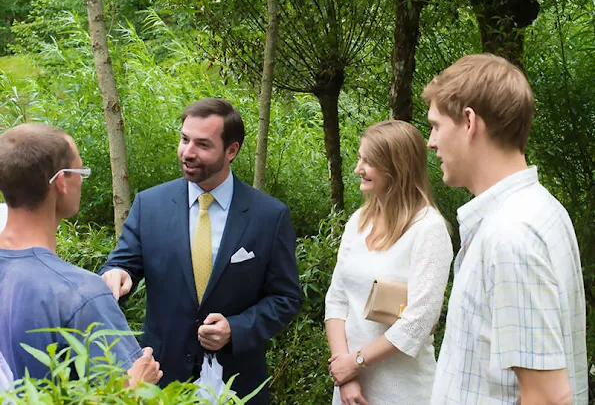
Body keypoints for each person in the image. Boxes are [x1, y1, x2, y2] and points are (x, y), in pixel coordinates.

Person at [98, 98, 302, 403]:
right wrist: (116, 274)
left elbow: (286, 298)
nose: (187, 152)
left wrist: (236, 328)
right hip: (161, 381)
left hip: (239, 384)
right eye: (184, 139)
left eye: (202, 144)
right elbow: (122, 262)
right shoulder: (150, 205)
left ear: (231, 150)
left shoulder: (269, 216)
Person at [425, 54, 588, 404]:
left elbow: (547, 398)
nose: (430, 142)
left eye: (436, 125)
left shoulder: (510, 233)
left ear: (469, 121)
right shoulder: (543, 210)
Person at [0, 123, 162, 386]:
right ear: (61, 182)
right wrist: (136, 386)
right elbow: (121, 392)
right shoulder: (80, 293)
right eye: (80, 171)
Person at [325, 120, 453, 404]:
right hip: (349, 387)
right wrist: (345, 373)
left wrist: (356, 362)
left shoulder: (428, 229)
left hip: (402, 389)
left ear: (397, 167)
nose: (358, 168)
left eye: (368, 162)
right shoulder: (358, 222)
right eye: (360, 158)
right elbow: (336, 300)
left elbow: (419, 321)